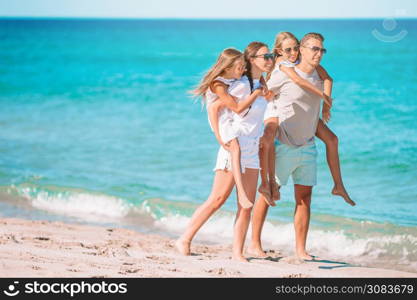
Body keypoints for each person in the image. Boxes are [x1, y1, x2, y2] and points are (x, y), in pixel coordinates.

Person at [176, 42, 273, 262]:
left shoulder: (260, 84)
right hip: (233, 146)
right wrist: (221, 138)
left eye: (270, 55)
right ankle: (184, 239)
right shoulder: (240, 85)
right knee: (218, 198)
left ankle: (237, 253)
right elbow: (215, 108)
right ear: (251, 60)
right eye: (265, 56)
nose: (269, 59)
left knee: (246, 204)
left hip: (252, 148)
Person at [250, 33, 339, 260]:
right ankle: (254, 244)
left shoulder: (316, 73)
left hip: (307, 146)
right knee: (267, 194)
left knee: (304, 198)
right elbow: (264, 94)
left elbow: (328, 80)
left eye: (322, 50)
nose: (318, 54)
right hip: (283, 143)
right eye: (314, 49)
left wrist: (326, 104)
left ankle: (301, 250)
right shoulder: (282, 72)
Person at [258, 31, 355, 208]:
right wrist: (322, 96)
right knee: (269, 137)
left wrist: (326, 104)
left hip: (306, 121)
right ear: (279, 51)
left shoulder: (312, 68)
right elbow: (276, 87)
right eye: (289, 50)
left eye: (295, 49)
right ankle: (268, 182)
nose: (293, 53)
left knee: (332, 140)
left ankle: (338, 185)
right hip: (277, 111)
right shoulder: (282, 66)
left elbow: (328, 79)